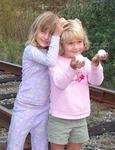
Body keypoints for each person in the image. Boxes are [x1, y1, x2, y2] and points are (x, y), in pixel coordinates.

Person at [7, 11, 69, 150]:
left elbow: (64, 51)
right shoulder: (30, 50)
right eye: (43, 31)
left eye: (51, 33)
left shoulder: (51, 51)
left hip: (44, 109)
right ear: (35, 29)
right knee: (15, 144)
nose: (47, 37)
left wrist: (71, 26)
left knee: (41, 145)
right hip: (24, 108)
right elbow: (51, 61)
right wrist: (57, 35)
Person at [48, 20, 108, 150]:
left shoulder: (85, 61)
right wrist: (72, 68)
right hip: (59, 117)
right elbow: (60, 83)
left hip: (80, 117)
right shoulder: (55, 62)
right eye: (70, 43)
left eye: (79, 42)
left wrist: (95, 66)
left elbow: (96, 81)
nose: (76, 47)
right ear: (60, 45)